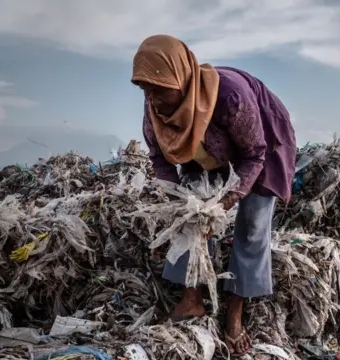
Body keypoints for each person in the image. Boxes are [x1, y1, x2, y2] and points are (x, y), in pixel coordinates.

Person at [132, 34, 296, 357]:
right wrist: (181, 201)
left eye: (159, 88)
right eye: (145, 90)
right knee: (190, 215)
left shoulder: (230, 97)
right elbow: (159, 158)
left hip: (260, 144)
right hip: (205, 149)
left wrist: (226, 202)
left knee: (251, 223)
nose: (152, 99)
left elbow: (254, 154)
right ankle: (191, 298)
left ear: (181, 76)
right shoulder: (155, 113)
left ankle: (235, 310)